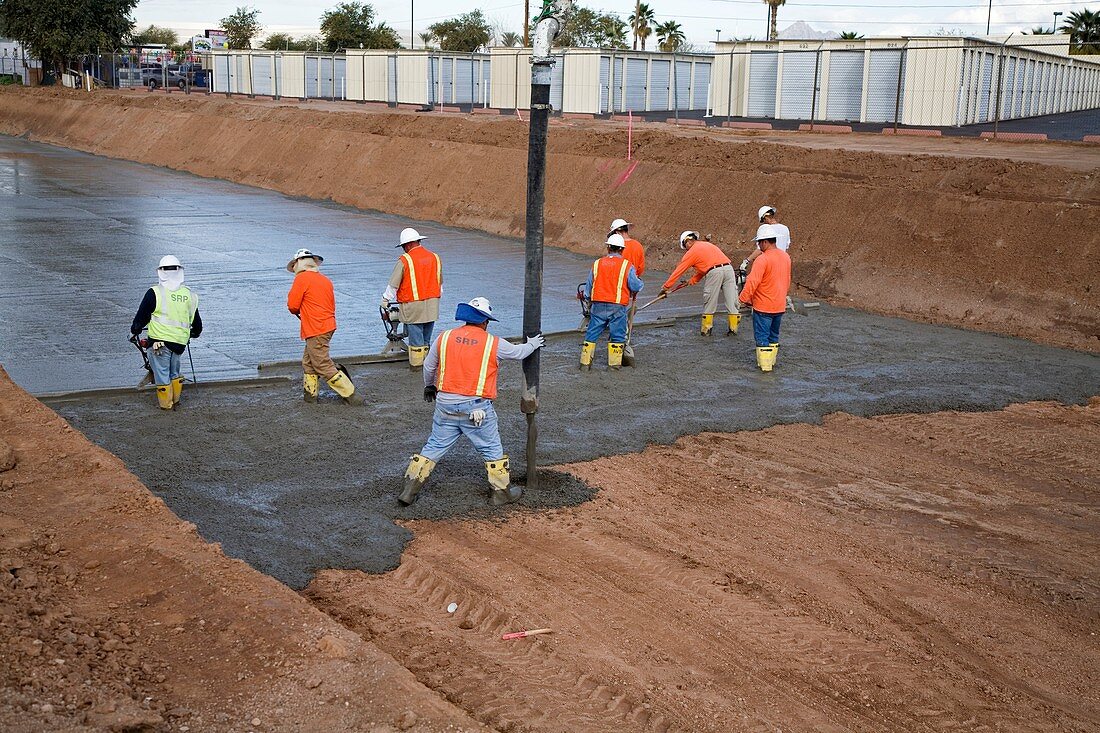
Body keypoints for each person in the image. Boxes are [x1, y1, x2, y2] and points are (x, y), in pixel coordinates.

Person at [400, 297, 545, 507]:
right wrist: (533, 343)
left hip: (445, 405)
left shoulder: (445, 337)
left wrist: (429, 386)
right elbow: (519, 352)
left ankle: (409, 489)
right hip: (476, 409)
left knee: (434, 446)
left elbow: (429, 367)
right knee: (491, 448)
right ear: (485, 321)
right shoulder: (492, 343)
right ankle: (501, 493)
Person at [286, 248, 362, 405]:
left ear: (298, 264)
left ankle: (353, 397)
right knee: (308, 362)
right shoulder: (325, 279)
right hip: (327, 325)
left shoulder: (302, 279)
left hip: (316, 328)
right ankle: (310, 397)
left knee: (321, 364)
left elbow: (293, 306)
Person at [130, 255, 202, 411]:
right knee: (173, 371)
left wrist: (135, 330)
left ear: (161, 272)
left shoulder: (155, 292)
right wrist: (193, 334)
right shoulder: (189, 295)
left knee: (162, 373)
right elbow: (197, 325)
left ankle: (166, 405)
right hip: (179, 344)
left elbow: (141, 317)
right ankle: (175, 401)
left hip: (158, 343)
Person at [580, 234, 644, 371]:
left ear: (608, 247)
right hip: (617, 305)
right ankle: (613, 367)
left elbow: (588, 287)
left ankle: (585, 364)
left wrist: (588, 300)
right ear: (622, 249)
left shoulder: (597, 263)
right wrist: (640, 283)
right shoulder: (627, 265)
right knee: (618, 335)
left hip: (598, 305)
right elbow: (635, 286)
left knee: (591, 333)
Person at [381, 227, 442, 370]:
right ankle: (428, 366)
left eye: (403, 247)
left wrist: (385, 300)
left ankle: (416, 368)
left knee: (416, 342)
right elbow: (440, 283)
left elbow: (393, 284)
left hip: (413, 306)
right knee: (426, 339)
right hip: (433, 304)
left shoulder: (405, 260)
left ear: (407, 245)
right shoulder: (435, 257)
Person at [660, 231, 741, 337]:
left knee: (710, 301)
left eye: (685, 247)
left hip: (715, 273)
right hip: (729, 269)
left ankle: (706, 330)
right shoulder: (708, 245)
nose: (686, 249)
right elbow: (707, 267)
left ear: (687, 242)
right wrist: (691, 281)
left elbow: (678, 271)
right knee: (731, 300)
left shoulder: (692, 252)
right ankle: (733, 330)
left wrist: (665, 287)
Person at [739, 224, 792, 373]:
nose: (759, 246)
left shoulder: (762, 260)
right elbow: (787, 280)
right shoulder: (785, 256)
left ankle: (765, 370)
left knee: (762, 338)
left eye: (759, 243)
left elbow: (752, 282)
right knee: (774, 336)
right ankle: (772, 363)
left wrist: (742, 299)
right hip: (779, 306)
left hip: (763, 307)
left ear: (764, 242)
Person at [741, 205, 794, 311]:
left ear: (765, 218)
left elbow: (760, 249)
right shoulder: (785, 228)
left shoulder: (765, 230)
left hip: (768, 262)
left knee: (759, 284)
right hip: (782, 262)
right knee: (778, 287)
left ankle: (756, 305)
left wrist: (747, 261)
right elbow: (786, 247)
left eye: (763, 220)